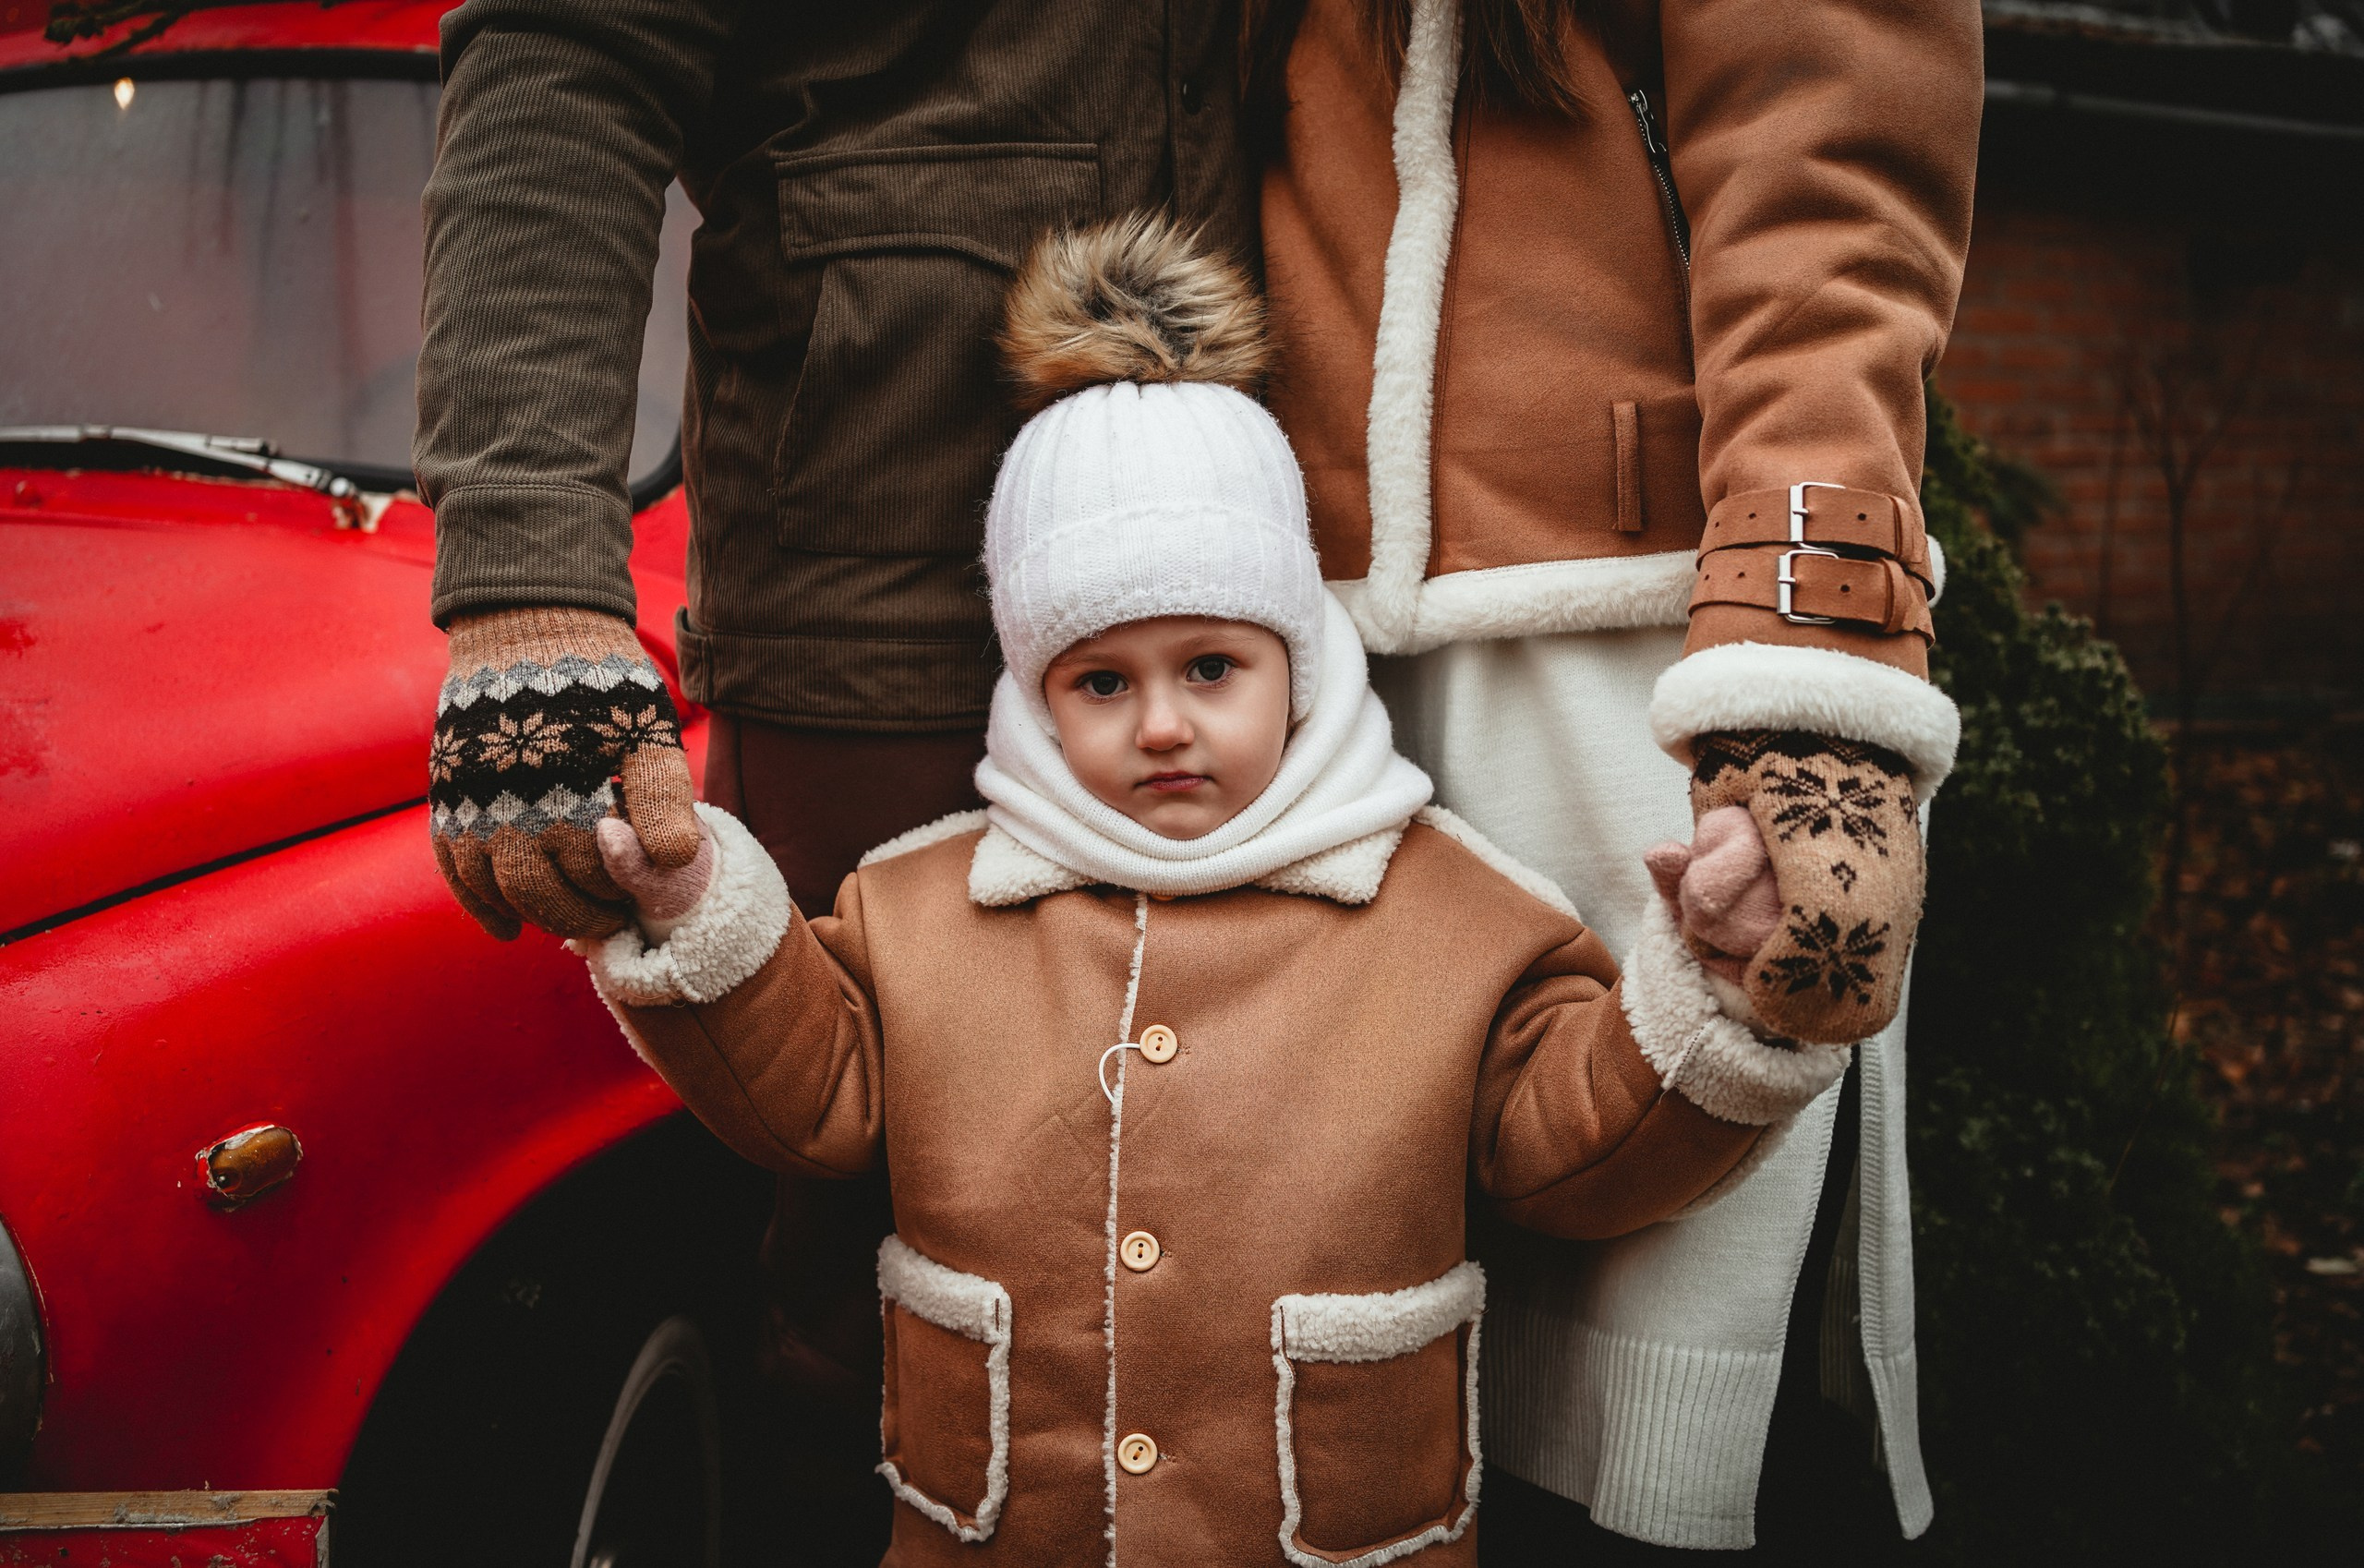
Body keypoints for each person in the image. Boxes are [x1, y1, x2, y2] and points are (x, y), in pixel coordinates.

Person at [577, 215, 1860, 1566]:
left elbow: (1573, 1140)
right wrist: (702, 913)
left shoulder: (1454, 917)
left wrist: (1716, 985)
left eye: (1210, 666)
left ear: (1294, 656)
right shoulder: (922, 909)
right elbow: (818, 1086)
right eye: (1102, 681)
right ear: (1032, 688)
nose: (1165, 724)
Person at [412, 2, 1256, 1544]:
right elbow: (569, 42)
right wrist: (529, 572)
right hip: (884, 611)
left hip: (1306, 587)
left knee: (1287, 1218)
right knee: (879, 1282)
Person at [1249, 0, 1982, 1552]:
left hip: (1648, 652)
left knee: (1650, 1409)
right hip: (1291, 652)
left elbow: (1827, 160)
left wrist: (1811, 706)